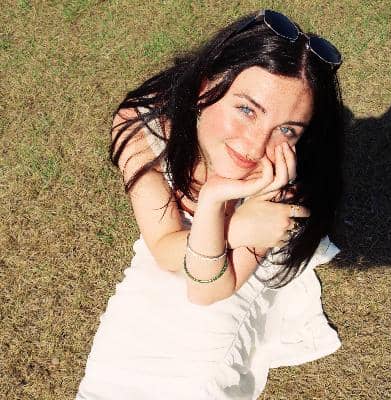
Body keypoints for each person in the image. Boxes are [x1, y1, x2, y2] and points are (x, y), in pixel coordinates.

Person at [76, 9, 344, 400]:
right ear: (205, 87)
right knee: (114, 372)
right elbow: (163, 247)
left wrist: (216, 204)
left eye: (287, 129)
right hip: (192, 245)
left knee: (194, 377)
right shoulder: (143, 124)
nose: (255, 145)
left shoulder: (286, 172)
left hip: (228, 274)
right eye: (247, 110)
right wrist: (229, 217)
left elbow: (208, 291)